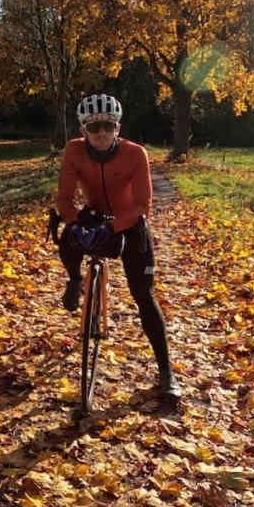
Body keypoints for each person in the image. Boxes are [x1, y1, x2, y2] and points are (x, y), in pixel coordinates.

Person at [56, 93, 180, 400]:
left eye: (108, 126)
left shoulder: (135, 154)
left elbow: (142, 204)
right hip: (95, 214)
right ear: (83, 129)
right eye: (94, 125)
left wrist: (111, 228)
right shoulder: (73, 151)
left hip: (129, 221)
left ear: (118, 128)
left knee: (143, 295)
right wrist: (76, 224)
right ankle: (74, 280)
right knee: (67, 236)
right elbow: (64, 199)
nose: (101, 132)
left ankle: (167, 373)